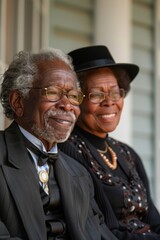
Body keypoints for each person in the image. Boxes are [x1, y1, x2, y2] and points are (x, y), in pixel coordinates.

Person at [0, 48, 118, 240]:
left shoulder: (79, 173)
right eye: (53, 92)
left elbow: (101, 234)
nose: (67, 105)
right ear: (18, 102)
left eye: (73, 96)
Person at [59, 45, 160, 240]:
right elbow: (102, 231)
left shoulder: (127, 153)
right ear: (75, 100)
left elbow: (153, 218)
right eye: (97, 94)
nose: (109, 102)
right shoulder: (68, 151)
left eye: (115, 92)